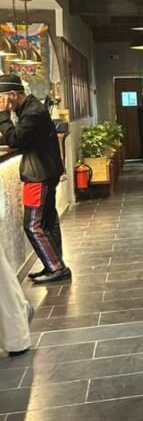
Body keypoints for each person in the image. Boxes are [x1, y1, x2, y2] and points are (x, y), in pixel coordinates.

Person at [0, 73, 69, 284]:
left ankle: (56, 267)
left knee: (32, 224)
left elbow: (15, 139)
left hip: (39, 175)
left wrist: (2, 115)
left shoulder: (33, 113)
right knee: (47, 221)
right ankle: (54, 264)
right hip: (45, 171)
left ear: (12, 94)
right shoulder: (29, 109)